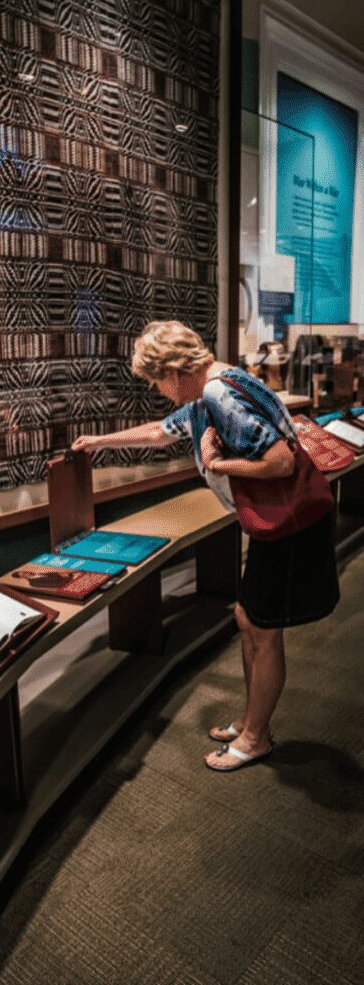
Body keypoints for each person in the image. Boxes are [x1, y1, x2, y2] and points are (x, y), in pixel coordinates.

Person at [72, 320, 339, 772]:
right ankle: (251, 719)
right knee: (246, 617)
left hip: (289, 525)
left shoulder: (218, 395)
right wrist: (100, 441)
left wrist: (220, 463)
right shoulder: (213, 388)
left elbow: (279, 462)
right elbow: (162, 431)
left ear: (175, 371)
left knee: (264, 629)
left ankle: (256, 737)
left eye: (157, 380)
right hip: (272, 524)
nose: (158, 390)